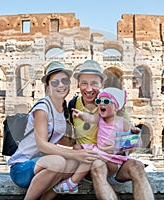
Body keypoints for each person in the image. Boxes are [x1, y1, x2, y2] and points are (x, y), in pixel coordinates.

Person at [7, 61, 99, 200]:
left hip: (41, 164)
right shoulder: (42, 108)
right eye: (55, 83)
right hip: (22, 168)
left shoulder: (62, 108)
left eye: (64, 81)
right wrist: (77, 154)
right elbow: (42, 145)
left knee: (72, 164)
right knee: (59, 162)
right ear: (48, 86)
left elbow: (58, 138)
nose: (61, 85)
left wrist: (80, 146)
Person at [68, 60, 155, 200]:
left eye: (94, 83)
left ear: (102, 84)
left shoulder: (115, 107)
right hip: (93, 163)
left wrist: (118, 145)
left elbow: (135, 141)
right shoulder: (72, 105)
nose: (89, 89)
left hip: (117, 163)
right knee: (97, 165)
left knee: (138, 167)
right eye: (84, 83)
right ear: (78, 84)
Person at [53, 87, 142, 193]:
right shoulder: (100, 119)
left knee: (88, 156)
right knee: (77, 148)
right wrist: (81, 115)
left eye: (106, 101)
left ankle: (72, 183)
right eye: (99, 101)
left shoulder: (123, 122)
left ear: (116, 106)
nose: (101, 104)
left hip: (112, 157)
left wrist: (134, 132)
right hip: (100, 151)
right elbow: (90, 118)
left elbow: (133, 141)